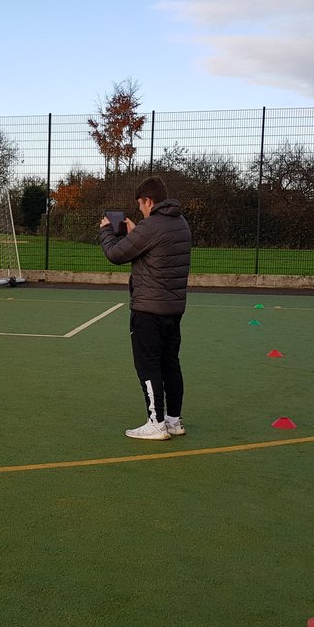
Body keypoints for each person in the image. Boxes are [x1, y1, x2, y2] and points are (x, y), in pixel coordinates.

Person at [98, 176, 192, 440]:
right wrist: (136, 231)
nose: (140, 209)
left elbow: (116, 255)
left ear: (149, 201)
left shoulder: (151, 227)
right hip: (173, 309)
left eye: (140, 203)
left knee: (148, 366)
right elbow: (155, 252)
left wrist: (106, 231)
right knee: (170, 363)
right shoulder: (180, 223)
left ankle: (156, 423)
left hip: (148, 310)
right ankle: (174, 420)